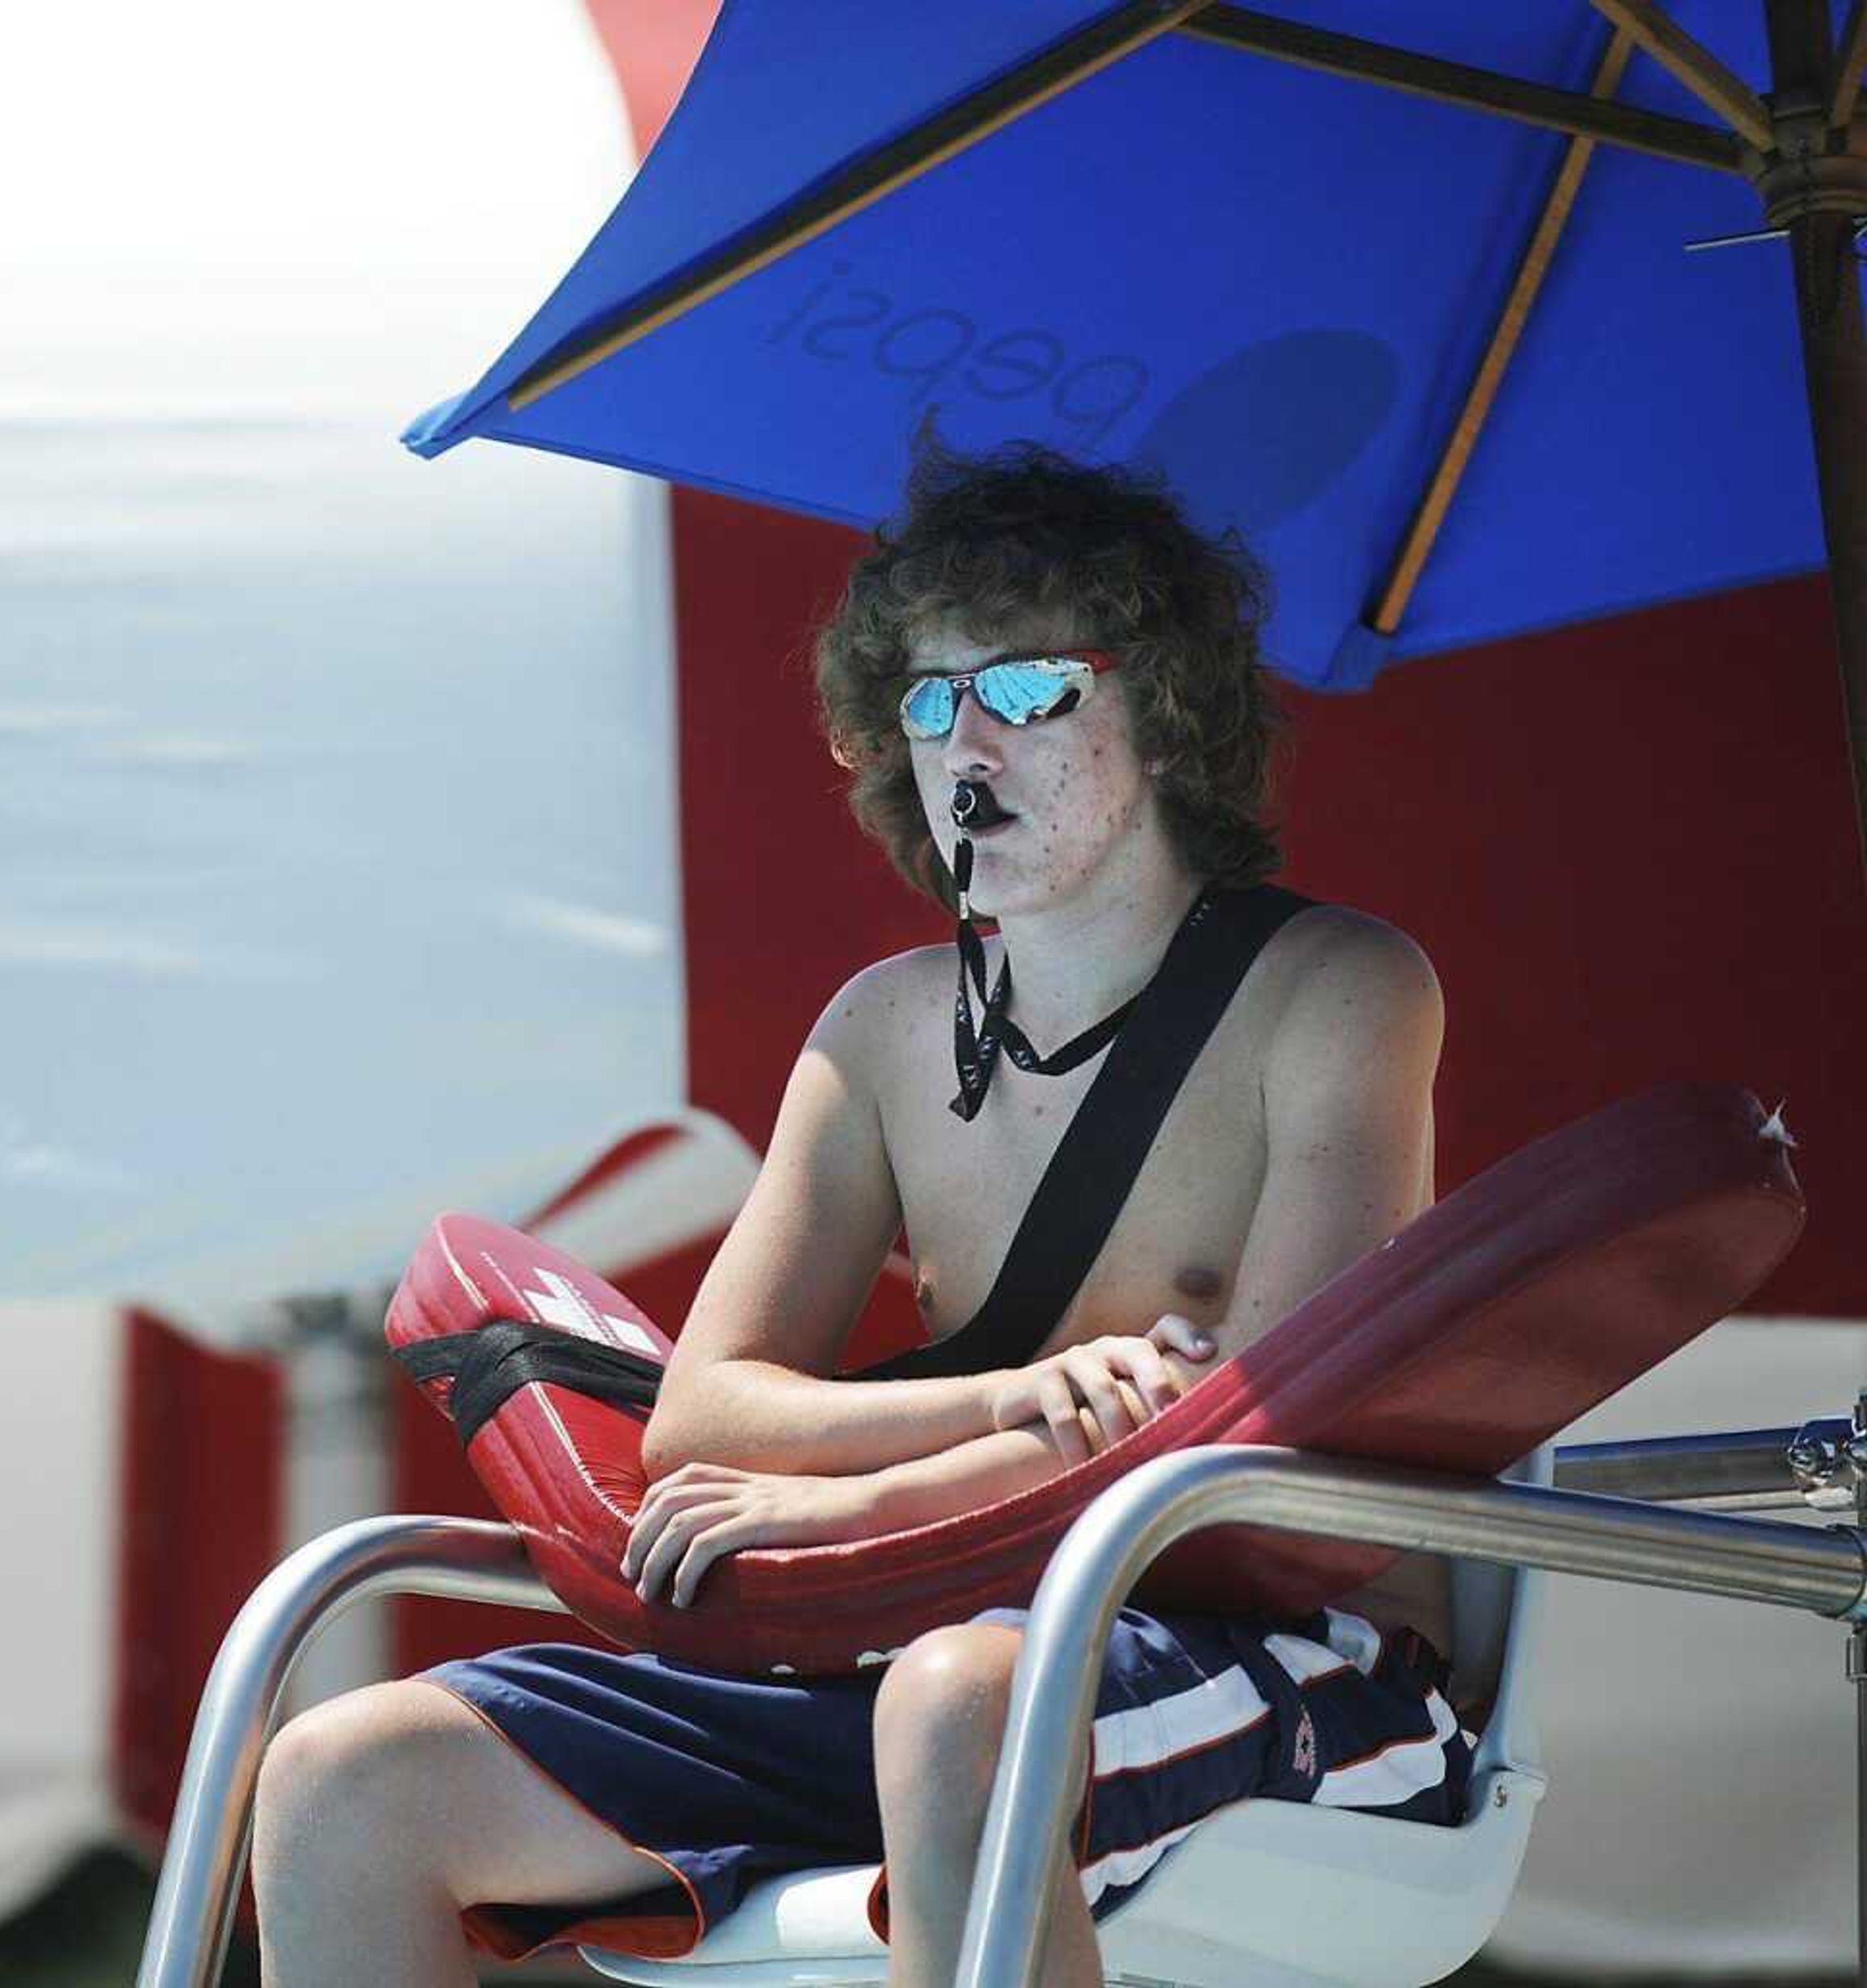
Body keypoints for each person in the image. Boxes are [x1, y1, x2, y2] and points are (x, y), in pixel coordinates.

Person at [250, 441, 1467, 1988]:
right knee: (340, 1782)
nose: (966, 742)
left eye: (1026, 690)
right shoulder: (881, 1029)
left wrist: (848, 1509)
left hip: (1302, 1667)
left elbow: (1262, 1451)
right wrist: (1013, 1400)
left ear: (1163, 710)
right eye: (929, 698)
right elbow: (707, 1414)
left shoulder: (1342, 990)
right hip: (927, 1654)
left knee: (963, 1709)